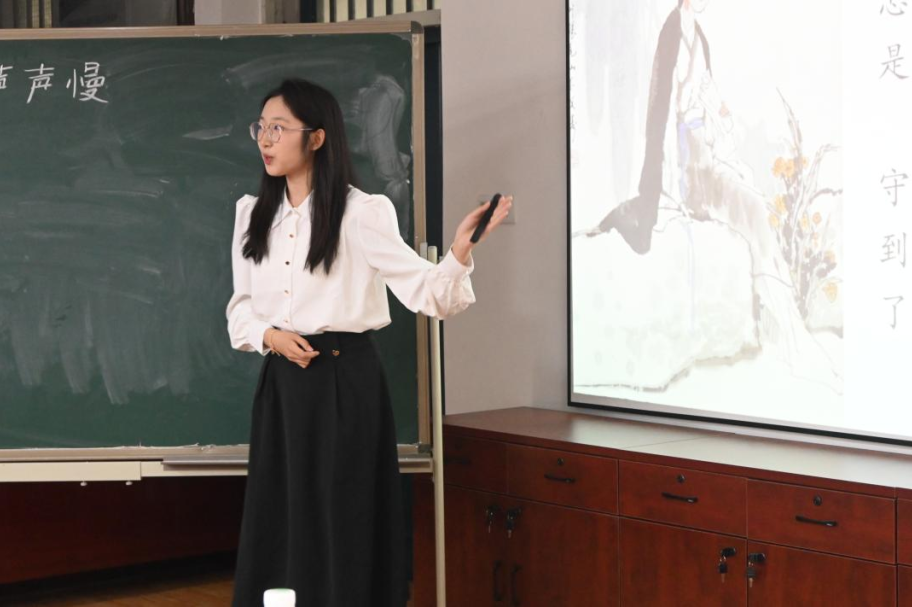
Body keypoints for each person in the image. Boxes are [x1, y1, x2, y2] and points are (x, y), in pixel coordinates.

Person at [226, 78, 512, 606]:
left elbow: (429, 293)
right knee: (280, 514)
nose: (265, 139)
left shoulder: (362, 212)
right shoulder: (252, 213)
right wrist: (269, 336)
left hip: (344, 379)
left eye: (279, 128)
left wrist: (459, 252)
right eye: (260, 127)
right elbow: (240, 309)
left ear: (316, 138)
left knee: (343, 516)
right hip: (282, 383)